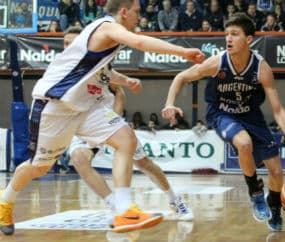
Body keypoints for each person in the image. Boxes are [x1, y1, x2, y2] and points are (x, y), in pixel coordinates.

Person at [0, 0, 204, 236]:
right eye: (137, 13)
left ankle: (124, 210)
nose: (139, 18)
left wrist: (126, 81)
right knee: (38, 168)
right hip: (55, 106)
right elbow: (139, 42)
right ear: (124, 12)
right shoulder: (107, 27)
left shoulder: (106, 38)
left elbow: (103, 71)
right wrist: (183, 51)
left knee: (126, 139)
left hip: (86, 108)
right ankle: (5, 202)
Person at [162, 13, 285, 232]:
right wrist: (169, 103)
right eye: (227, 34)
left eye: (235, 34)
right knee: (243, 144)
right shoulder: (217, 63)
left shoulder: (262, 69)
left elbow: (278, 111)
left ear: (249, 39)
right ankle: (255, 193)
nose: (228, 39)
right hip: (221, 113)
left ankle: (275, 207)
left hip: (251, 115)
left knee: (277, 172)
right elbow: (181, 77)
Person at [62, 26, 192, 221]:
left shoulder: (97, 63)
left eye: (73, 42)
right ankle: (116, 205)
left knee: (144, 163)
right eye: (65, 43)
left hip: (104, 119)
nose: (69, 46)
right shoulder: (59, 68)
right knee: (80, 159)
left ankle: (173, 198)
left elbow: (119, 92)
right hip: (79, 124)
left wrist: (117, 113)